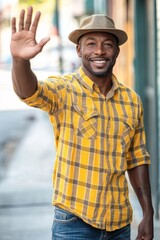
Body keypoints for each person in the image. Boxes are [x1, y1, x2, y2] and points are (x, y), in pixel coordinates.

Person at [10, 6, 154, 240]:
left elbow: (137, 158)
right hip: (74, 223)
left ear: (117, 51)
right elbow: (30, 92)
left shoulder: (131, 100)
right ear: (79, 50)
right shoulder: (64, 90)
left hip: (120, 224)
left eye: (107, 44)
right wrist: (19, 62)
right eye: (91, 43)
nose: (99, 51)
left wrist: (148, 213)